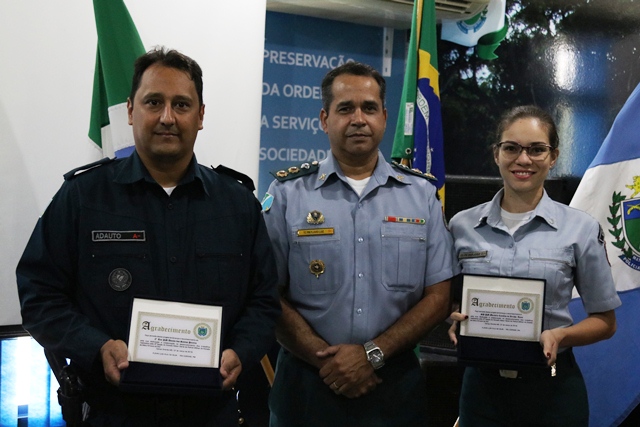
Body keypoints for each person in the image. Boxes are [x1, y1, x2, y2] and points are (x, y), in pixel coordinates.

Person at [16, 47, 281, 426]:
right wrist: (96, 347)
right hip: (113, 413)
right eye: (153, 102)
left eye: (182, 104)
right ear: (130, 110)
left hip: (210, 414)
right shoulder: (83, 197)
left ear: (201, 115)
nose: (167, 117)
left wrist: (242, 350)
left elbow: (265, 301)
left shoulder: (237, 204)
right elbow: (39, 296)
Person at [262, 61, 456, 426]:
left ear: (384, 117)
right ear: (324, 119)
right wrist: (329, 363)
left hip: (394, 388)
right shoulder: (287, 194)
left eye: (369, 108)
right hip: (307, 387)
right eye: (345, 108)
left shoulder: (421, 196)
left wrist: (372, 355)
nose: (358, 119)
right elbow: (266, 292)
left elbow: (438, 296)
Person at [448, 105, 621, 427]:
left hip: (553, 387)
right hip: (481, 389)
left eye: (537, 149)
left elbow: (605, 322)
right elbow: (449, 299)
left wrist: (560, 335)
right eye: (511, 148)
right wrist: (455, 317)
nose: (523, 159)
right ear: (496, 154)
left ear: (553, 157)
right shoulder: (462, 225)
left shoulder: (581, 228)